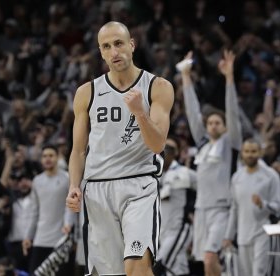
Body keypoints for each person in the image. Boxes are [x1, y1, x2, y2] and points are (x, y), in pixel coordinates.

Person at [65, 21, 174, 276]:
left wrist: (139, 113)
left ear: (132, 45)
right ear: (101, 52)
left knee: (137, 269)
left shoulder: (158, 87)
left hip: (138, 186)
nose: (114, 52)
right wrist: (73, 185)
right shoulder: (86, 92)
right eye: (106, 46)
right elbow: (78, 150)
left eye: (119, 43)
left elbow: (157, 144)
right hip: (97, 190)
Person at [179, 50, 242, 276]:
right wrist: (186, 77)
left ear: (224, 127)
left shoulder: (229, 143)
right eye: (211, 123)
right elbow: (193, 113)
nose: (213, 125)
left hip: (221, 208)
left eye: (218, 122)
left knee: (210, 258)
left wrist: (229, 78)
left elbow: (232, 113)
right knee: (204, 262)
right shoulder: (204, 144)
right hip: (201, 209)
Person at [223, 138, 280, 276]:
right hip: (243, 235)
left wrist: (263, 204)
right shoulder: (237, 177)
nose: (250, 155)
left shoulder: (270, 176)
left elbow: (279, 208)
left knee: (260, 272)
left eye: (254, 151)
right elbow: (234, 208)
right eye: (247, 151)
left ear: (260, 152)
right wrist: (228, 235)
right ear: (242, 153)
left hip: (264, 232)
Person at [22, 145, 74, 275]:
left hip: (61, 239)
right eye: (44, 156)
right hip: (40, 238)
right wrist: (28, 236)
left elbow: (70, 206)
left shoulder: (67, 178)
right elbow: (34, 212)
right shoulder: (37, 181)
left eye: (51, 155)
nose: (47, 159)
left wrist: (68, 224)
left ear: (57, 157)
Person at [155, 137, 196, 276]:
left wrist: (192, 211)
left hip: (179, 228)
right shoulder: (153, 175)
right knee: (177, 267)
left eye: (167, 150)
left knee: (161, 264)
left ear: (174, 153)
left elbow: (204, 189)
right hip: (161, 231)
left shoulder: (184, 173)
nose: (163, 153)